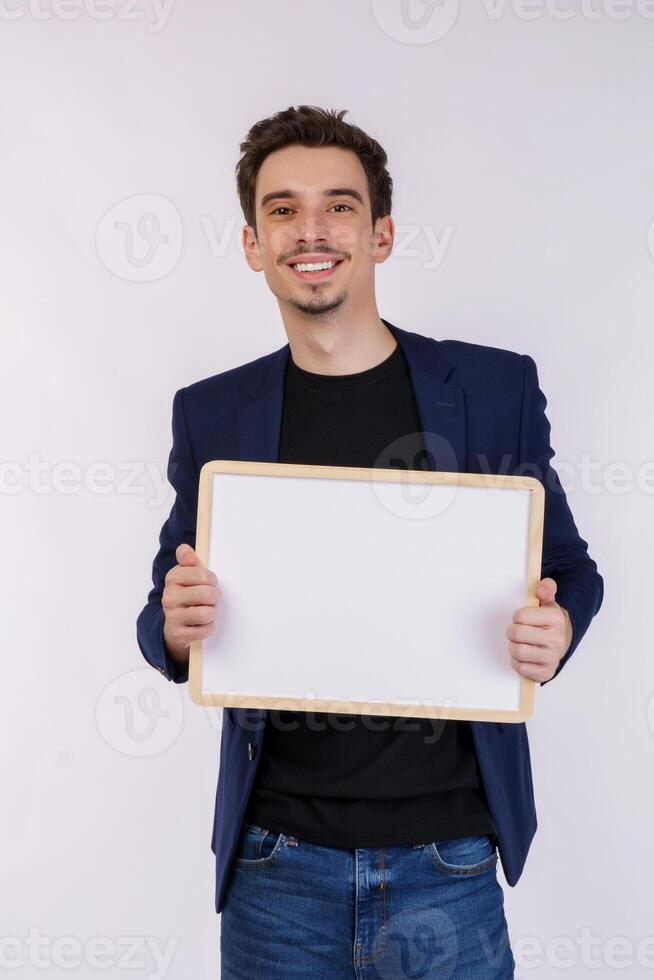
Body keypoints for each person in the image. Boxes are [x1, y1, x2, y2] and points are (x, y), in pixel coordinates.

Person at [136, 105, 603, 979]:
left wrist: (560, 627)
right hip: (274, 869)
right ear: (252, 243)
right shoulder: (211, 412)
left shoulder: (493, 388)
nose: (311, 231)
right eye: (281, 209)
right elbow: (164, 602)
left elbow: (569, 568)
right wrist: (173, 623)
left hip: (449, 862)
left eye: (339, 206)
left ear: (382, 234)